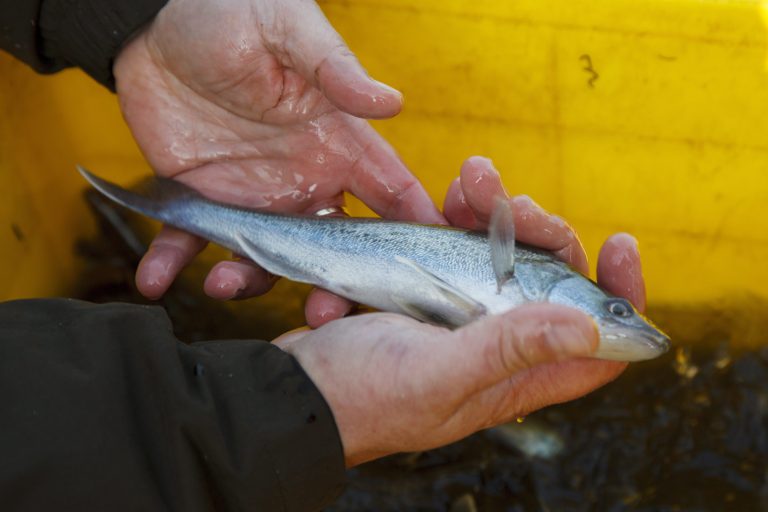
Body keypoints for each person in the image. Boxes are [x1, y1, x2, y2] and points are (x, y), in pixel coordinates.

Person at [0, 0, 645, 510]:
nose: (620, 320)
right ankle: (178, 204)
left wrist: (141, 17)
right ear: (553, 282)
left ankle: (177, 203)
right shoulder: (514, 269)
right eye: (615, 310)